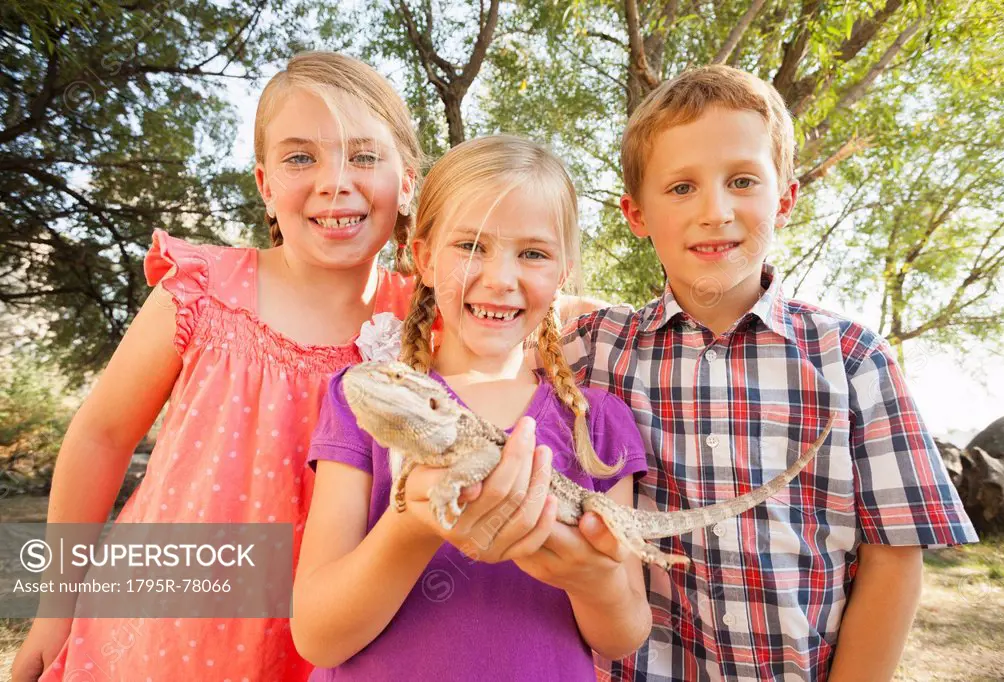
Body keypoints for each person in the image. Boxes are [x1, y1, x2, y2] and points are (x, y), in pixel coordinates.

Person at [13, 50, 425, 682]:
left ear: (408, 180)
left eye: (363, 156)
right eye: (299, 157)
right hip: (166, 629)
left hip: (338, 637)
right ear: (265, 185)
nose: (333, 181)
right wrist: (54, 605)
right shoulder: (203, 290)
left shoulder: (426, 322)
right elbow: (101, 436)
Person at [560, 65, 978, 682]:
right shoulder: (590, 354)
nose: (715, 211)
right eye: (680, 188)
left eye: (743, 180)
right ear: (636, 213)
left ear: (784, 198)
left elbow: (895, 562)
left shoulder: (855, 360)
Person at [292, 135, 653, 680]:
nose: (500, 278)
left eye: (532, 253)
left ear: (563, 272)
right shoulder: (367, 399)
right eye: (471, 246)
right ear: (424, 257)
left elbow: (623, 638)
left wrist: (592, 578)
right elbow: (318, 636)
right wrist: (414, 525)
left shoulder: (596, 424)